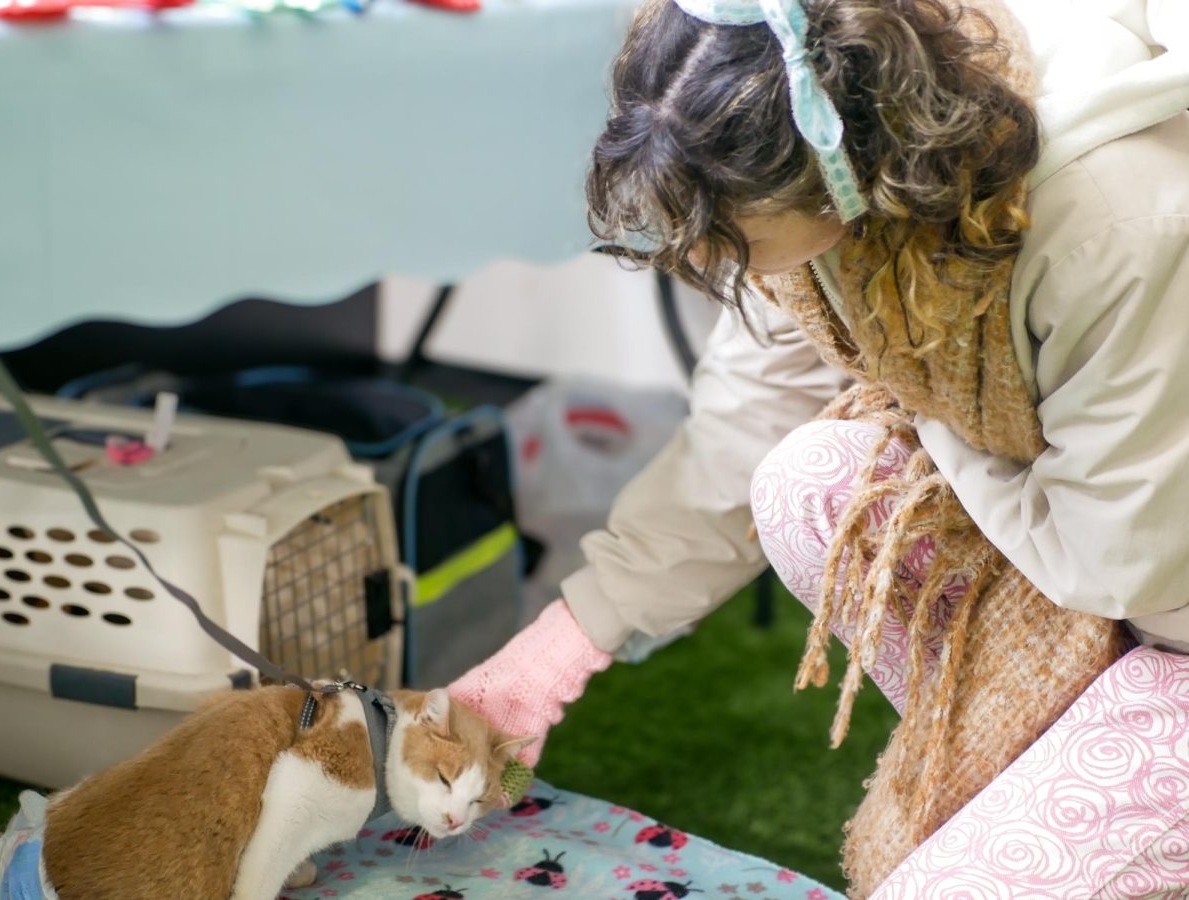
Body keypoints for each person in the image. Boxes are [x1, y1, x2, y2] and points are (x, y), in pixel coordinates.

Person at [452, 0, 1189, 894]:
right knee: (809, 482)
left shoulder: (1112, 219)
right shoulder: (841, 153)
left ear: (826, 174)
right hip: (1111, 559)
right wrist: (568, 639)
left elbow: (1122, 563)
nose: (724, 266)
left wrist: (925, 413)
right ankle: (1058, 774)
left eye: (738, 239)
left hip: (1155, 586)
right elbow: (745, 418)